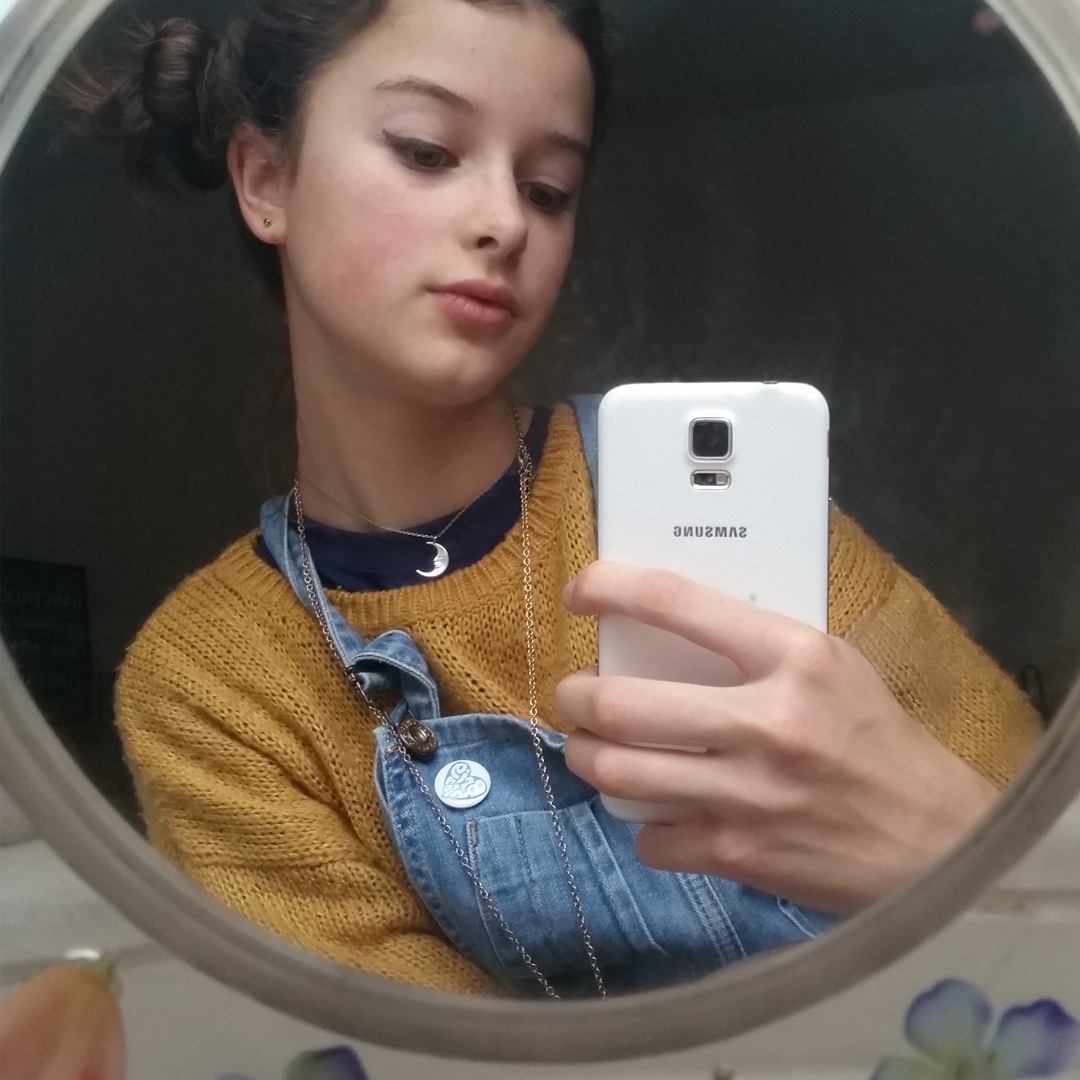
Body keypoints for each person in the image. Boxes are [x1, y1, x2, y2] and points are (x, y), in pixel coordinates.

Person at [68, 0, 1042, 998]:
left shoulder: (736, 514)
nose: (504, 221)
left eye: (548, 189)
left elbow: (1047, 893)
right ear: (265, 178)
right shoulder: (210, 684)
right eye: (426, 151)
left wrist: (936, 842)